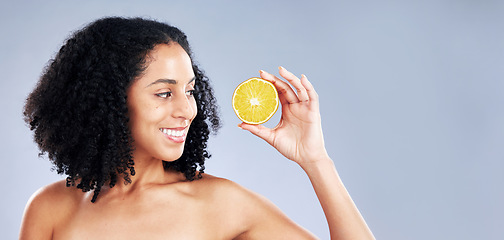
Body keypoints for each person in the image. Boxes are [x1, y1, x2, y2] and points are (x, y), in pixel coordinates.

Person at [19, 17, 374, 239]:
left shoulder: (220, 204)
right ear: (108, 100)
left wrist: (316, 160)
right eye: (164, 93)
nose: (187, 109)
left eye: (190, 91)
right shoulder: (51, 208)